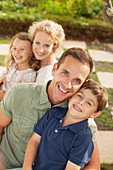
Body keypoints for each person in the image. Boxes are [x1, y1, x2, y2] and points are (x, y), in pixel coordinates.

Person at [0, 47, 99, 169]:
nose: (67, 85)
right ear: (54, 69)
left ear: (82, 85)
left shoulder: (83, 121)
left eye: (77, 80)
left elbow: (93, 165)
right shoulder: (18, 93)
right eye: (65, 73)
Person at [22, 79, 108, 170]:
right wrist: (26, 167)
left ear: (95, 114)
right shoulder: (53, 113)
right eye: (79, 96)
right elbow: (34, 140)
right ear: (71, 96)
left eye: (89, 103)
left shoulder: (83, 138)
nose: (81, 102)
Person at [0, 32, 38, 101]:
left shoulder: (29, 76)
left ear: (31, 52)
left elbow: (20, 99)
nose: (17, 52)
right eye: (14, 48)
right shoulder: (12, 66)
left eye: (22, 49)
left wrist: (4, 95)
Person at [28, 19, 65, 84]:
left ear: (54, 46)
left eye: (46, 45)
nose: (40, 50)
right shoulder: (33, 60)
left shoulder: (47, 76)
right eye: (37, 43)